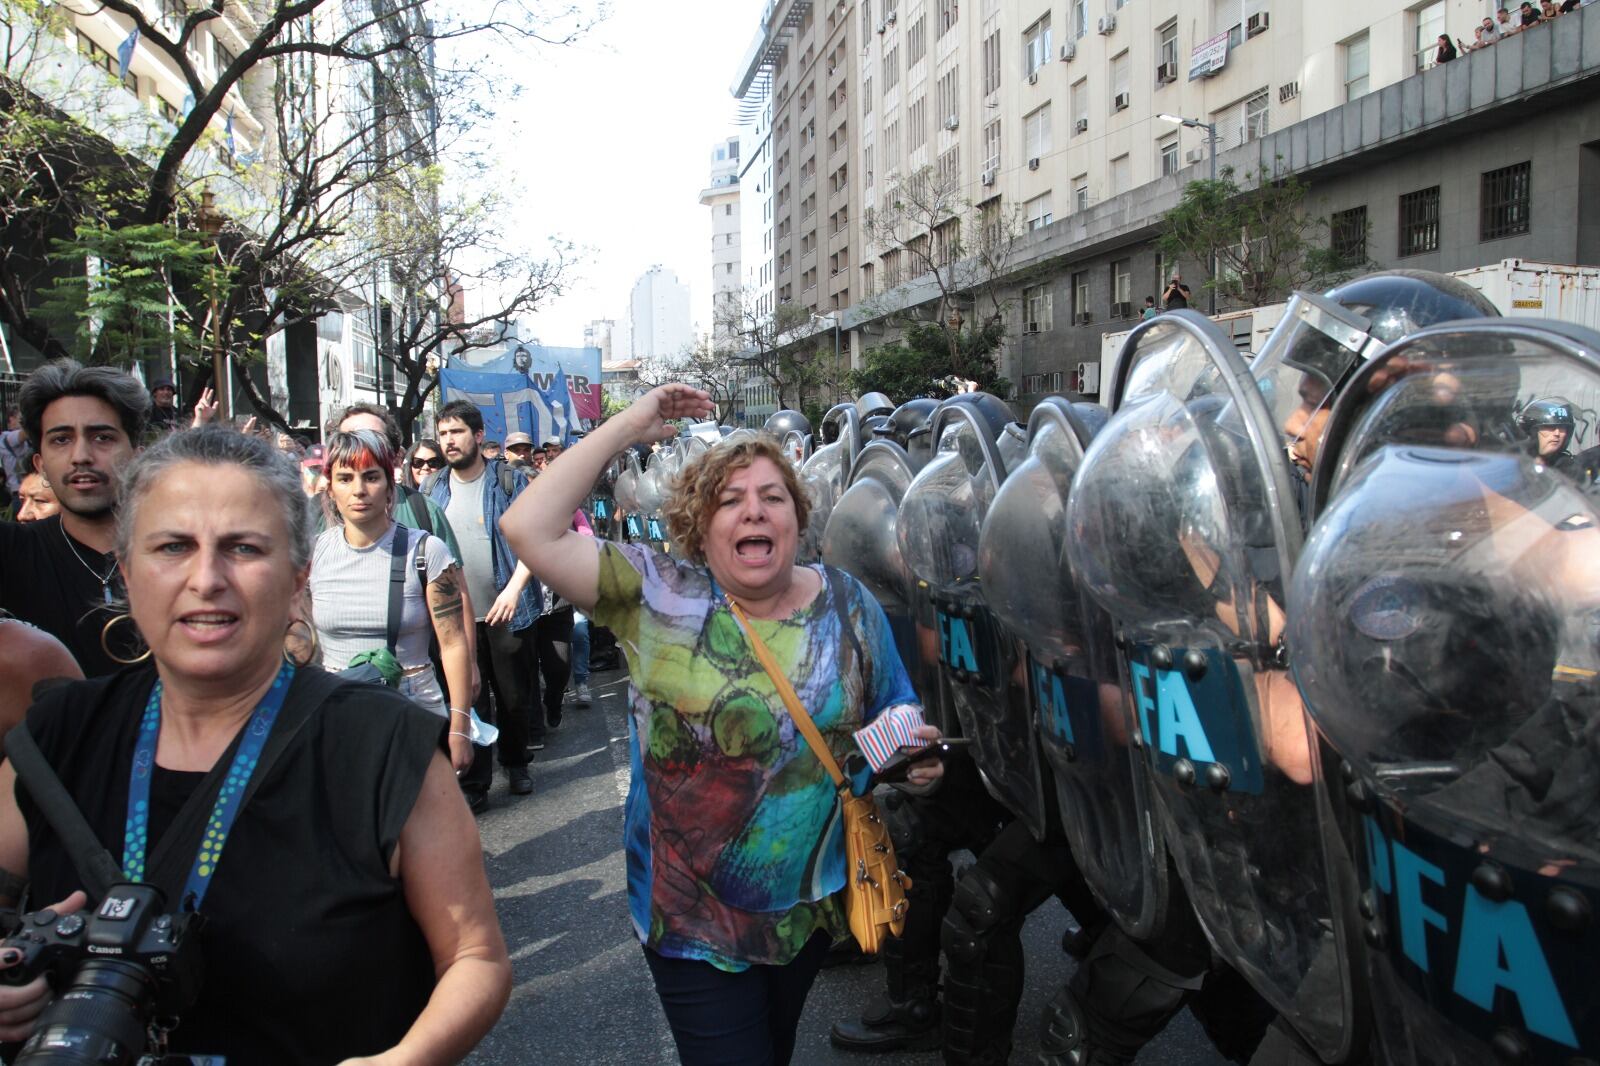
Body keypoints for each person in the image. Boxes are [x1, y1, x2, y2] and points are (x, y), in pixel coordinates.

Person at [0, 426, 510, 1064]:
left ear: (299, 579)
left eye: (243, 548)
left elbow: (475, 957)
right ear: (126, 574)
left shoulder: (383, 747)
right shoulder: (56, 737)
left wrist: (403, 1060)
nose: (206, 578)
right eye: (173, 547)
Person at [501, 383, 944, 1066]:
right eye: (729, 501)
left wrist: (914, 756)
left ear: (798, 517)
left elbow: (896, 707)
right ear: (699, 527)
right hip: (691, 923)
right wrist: (630, 424)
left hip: (810, 910)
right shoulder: (656, 593)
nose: (753, 511)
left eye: (772, 497)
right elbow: (526, 527)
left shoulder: (847, 601)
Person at [310, 430, 474, 775]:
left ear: (389, 485)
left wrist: (459, 727)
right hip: (335, 713)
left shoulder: (426, 551)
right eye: (345, 478)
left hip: (414, 708)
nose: (358, 490)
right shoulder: (312, 554)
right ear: (329, 488)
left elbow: (453, 642)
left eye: (371, 477)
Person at [429, 400, 542, 809]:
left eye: (456, 432)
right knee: (468, 696)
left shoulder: (508, 481)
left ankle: (515, 761)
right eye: (443, 434)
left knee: (512, 695)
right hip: (456, 616)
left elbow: (535, 538)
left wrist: (513, 590)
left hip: (506, 609)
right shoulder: (434, 488)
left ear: (478, 436)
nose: (449, 441)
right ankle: (475, 781)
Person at [0, 360, 147, 675]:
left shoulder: (191, 556)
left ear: (137, 455)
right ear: (40, 465)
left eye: (102, 437)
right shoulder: (12, 551)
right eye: (61, 439)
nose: (81, 455)